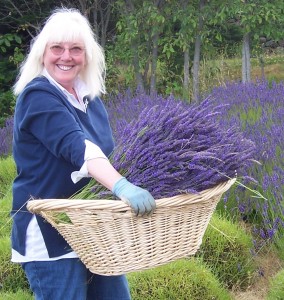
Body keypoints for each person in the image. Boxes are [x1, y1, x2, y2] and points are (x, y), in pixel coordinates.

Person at [11, 7, 156, 300]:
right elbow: (80, 148)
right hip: (51, 231)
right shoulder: (38, 95)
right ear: (42, 53)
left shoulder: (89, 98)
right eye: (57, 48)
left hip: (94, 230)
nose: (66, 56)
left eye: (75, 49)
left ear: (87, 55)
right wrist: (122, 186)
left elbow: (110, 154)